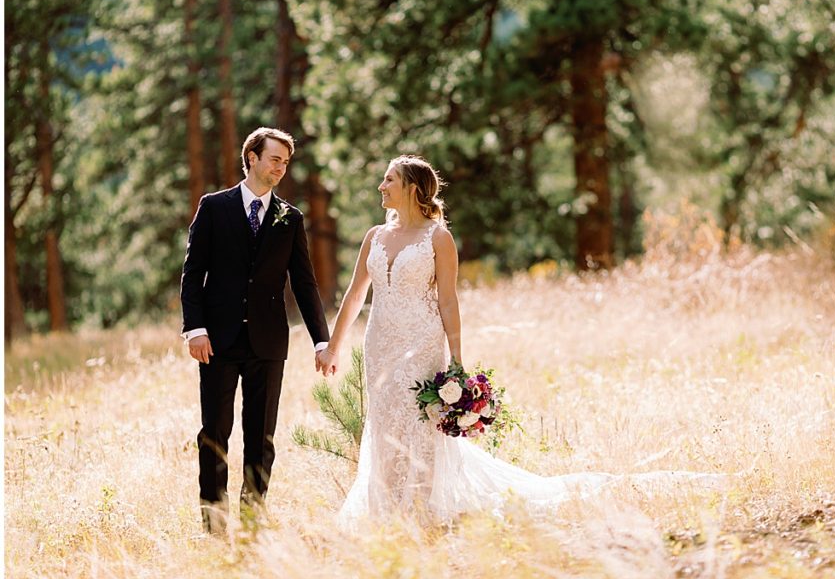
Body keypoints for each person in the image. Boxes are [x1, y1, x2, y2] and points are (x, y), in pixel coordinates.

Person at [319, 155, 722, 525]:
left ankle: (421, 510)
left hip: (421, 342)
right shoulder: (375, 236)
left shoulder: (438, 238)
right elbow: (355, 294)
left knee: (419, 425)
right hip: (379, 344)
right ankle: (385, 508)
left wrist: (457, 360)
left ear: (410, 187)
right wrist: (335, 345)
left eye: (388, 180)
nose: (380, 187)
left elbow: (447, 300)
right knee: (385, 420)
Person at [180, 126, 333, 535]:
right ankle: (214, 525)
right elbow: (193, 274)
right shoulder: (213, 207)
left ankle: (251, 523)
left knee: (261, 437)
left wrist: (322, 338)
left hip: (268, 343)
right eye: (274, 159)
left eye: (286, 161)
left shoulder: (290, 218)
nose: (281, 168)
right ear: (252, 157)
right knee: (214, 433)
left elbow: (304, 283)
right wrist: (194, 328)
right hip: (217, 341)